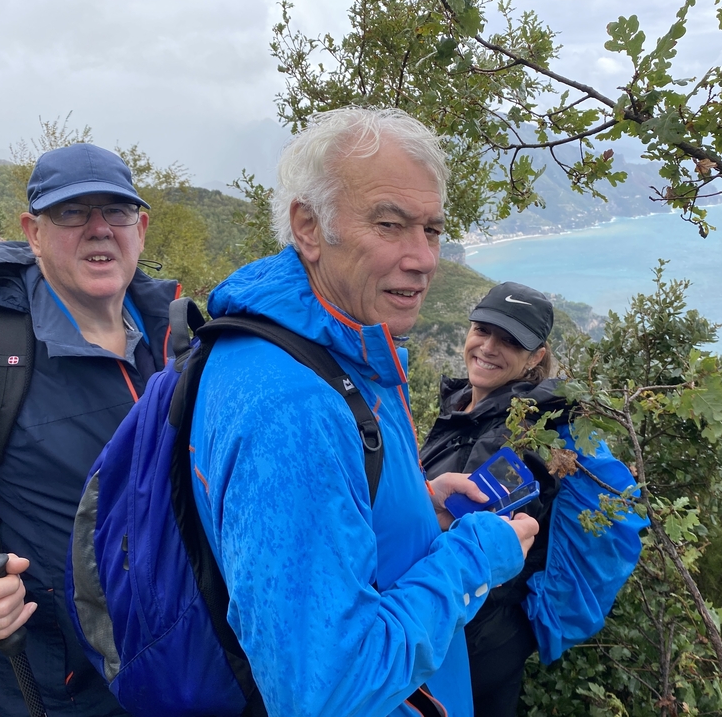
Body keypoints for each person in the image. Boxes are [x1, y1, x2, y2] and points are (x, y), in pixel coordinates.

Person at [188, 107, 539, 716]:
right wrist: (477, 555)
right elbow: (327, 694)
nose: (425, 258)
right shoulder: (294, 406)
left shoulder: (315, 345)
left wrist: (414, 503)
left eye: (430, 230)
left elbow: (321, 523)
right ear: (308, 225)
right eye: (390, 224)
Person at [0, 143, 179, 716]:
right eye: (71, 213)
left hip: (194, 667)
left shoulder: (181, 340)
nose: (98, 230)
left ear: (139, 227)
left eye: (115, 212)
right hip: (64, 688)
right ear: (33, 232)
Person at [420, 282, 648, 717]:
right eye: (482, 330)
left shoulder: (520, 437)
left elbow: (450, 537)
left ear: (536, 356)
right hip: (485, 637)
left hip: (468, 644)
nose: (488, 347)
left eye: (510, 341)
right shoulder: (470, 406)